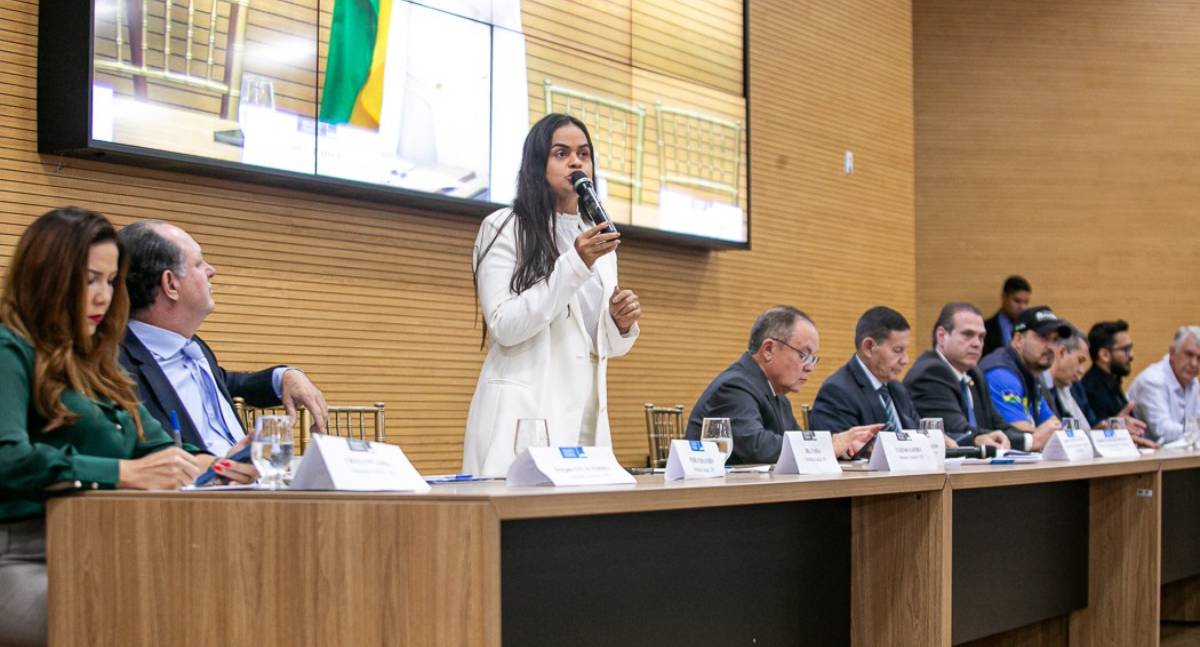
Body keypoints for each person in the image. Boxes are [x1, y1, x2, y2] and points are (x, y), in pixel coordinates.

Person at [0, 208, 222, 646]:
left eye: (110, 281)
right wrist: (120, 474)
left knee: (202, 605)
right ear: (47, 277)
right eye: (88, 280)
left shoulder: (97, 363)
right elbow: (7, 458)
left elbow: (155, 448)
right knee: (133, 620)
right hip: (20, 556)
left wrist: (220, 466)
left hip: (100, 548)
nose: (103, 297)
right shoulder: (11, 350)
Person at [463, 113, 642, 476]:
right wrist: (575, 263)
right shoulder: (504, 227)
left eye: (584, 154)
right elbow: (504, 326)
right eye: (561, 153)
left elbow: (597, 345)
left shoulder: (596, 237)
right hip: (524, 419)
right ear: (536, 165)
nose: (576, 162)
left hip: (587, 422)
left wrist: (618, 324)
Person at [117, 221, 329, 457]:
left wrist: (284, 377)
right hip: (203, 490)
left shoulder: (193, 346)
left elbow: (225, 382)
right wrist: (215, 467)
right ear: (171, 284)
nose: (212, 270)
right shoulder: (113, 365)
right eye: (198, 263)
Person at [685, 306, 879, 463]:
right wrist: (830, 444)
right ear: (768, 349)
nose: (810, 368)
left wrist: (844, 448)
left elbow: (797, 445)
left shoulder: (777, 394)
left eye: (813, 359)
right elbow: (757, 447)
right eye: (804, 355)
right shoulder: (735, 387)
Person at [903, 302, 1011, 449]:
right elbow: (958, 430)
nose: (977, 344)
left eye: (981, 337)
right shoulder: (930, 372)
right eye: (968, 335)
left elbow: (999, 427)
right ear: (941, 336)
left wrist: (1030, 439)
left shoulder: (974, 374)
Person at [810, 306, 923, 440]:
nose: (905, 360)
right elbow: (842, 451)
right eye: (898, 350)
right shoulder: (837, 392)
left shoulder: (897, 389)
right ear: (868, 347)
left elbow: (916, 436)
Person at [978, 306, 1068, 451]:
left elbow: (1054, 426)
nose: (1052, 347)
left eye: (1055, 340)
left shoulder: (1031, 375)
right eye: (1044, 337)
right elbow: (1023, 435)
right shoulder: (1000, 374)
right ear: (1019, 340)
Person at [1127, 326, 1200, 444]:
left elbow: (1197, 421)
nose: (1194, 364)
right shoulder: (1152, 381)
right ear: (1172, 352)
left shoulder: (1193, 382)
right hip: (1145, 457)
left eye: (1199, 358)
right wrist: (1194, 431)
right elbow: (1163, 430)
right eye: (1189, 354)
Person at [1080, 320, 1136, 426]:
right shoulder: (1091, 391)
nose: (1132, 355)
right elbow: (1100, 434)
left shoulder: (1113, 382)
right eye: (1126, 349)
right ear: (1104, 355)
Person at [982, 275, 1031, 356]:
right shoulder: (985, 329)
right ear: (1004, 297)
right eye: (1017, 301)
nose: (1022, 307)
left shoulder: (1030, 329)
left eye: (1026, 302)